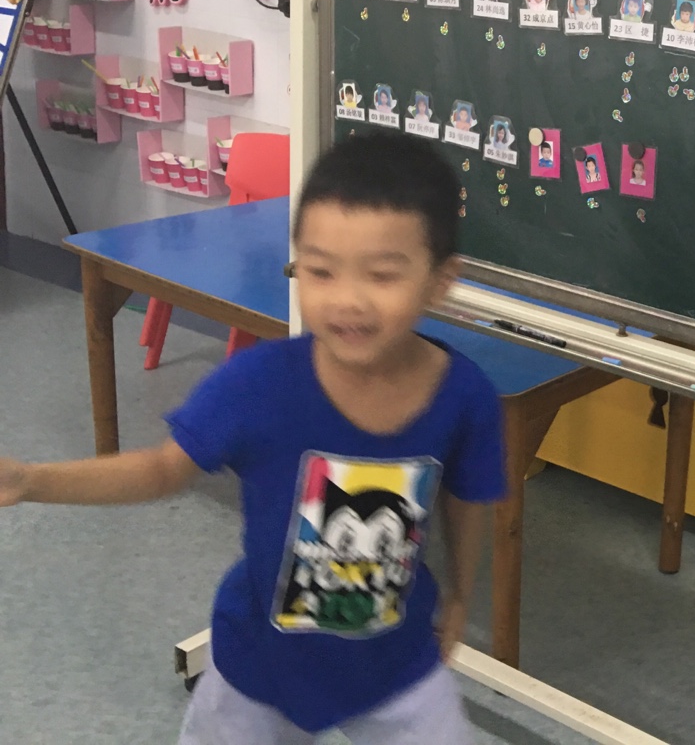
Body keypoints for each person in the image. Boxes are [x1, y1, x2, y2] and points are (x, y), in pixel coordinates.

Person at [0, 135, 504, 744]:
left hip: (394, 666)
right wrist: (30, 481)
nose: (347, 300)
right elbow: (162, 468)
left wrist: (460, 595)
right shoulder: (258, 384)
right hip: (258, 666)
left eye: (381, 275)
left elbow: (468, 496)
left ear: (440, 281)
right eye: (320, 270)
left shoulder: (463, 395)